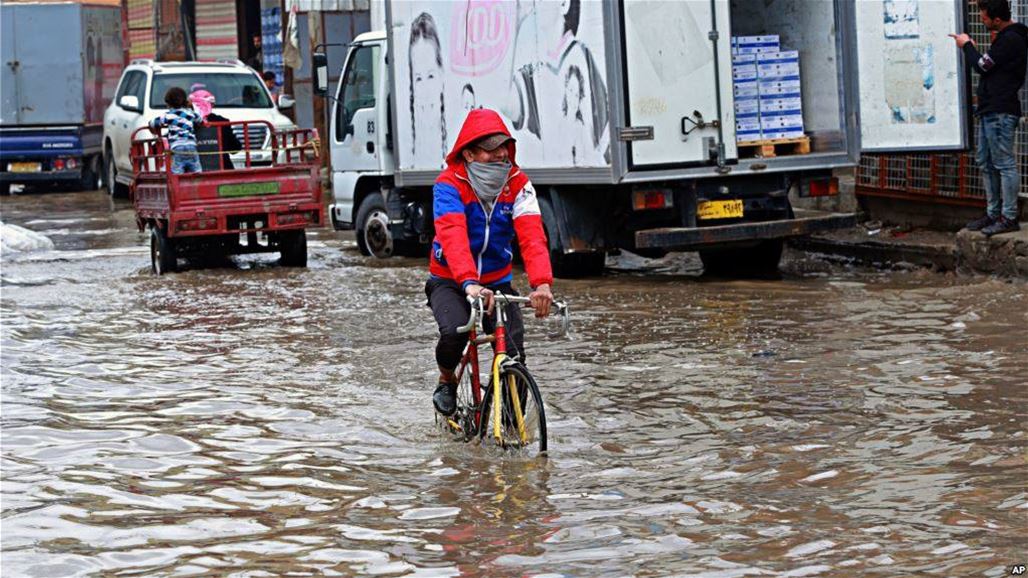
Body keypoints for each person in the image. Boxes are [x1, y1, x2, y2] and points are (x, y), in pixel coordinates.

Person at [426, 109, 554, 416]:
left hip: (497, 283)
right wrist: (469, 283)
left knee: (513, 353)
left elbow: (532, 236)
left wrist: (542, 284)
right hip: (452, 281)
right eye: (490, 149)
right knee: (455, 332)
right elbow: (452, 235)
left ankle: (512, 429)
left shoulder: (519, 185)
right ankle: (446, 381)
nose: (499, 155)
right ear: (468, 153)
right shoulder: (448, 185)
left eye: (503, 148)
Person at [949, 0, 1027, 236]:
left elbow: (983, 66)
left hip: (1000, 111)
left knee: (1003, 163)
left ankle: (1009, 217)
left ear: (997, 19)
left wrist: (966, 46)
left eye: (984, 17)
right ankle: (993, 213)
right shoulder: (1006, 38)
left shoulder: (1010, 39)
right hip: (990, 110)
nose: (981, 20)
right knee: (985, 161)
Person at [408, 12, 447, 169]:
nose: (424, 91)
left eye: (430, 76)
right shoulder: (413, 156)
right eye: (418, 79)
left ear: (441, 76)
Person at [149, 87, 203, 175]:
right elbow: (200, 120)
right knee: (196, 171)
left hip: (177, 148)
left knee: (177, 173)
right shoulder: (190, 113)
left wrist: (155, 126)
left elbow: (152, 123)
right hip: (191, 146)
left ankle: (178, 187)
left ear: (168, 103)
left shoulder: (168, 115)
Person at [189, 89, 242, 171]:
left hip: (193, 171)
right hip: (222, 170)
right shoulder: (222, 122)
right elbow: (235, 148)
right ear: (211, 105)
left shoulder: (186, 122)